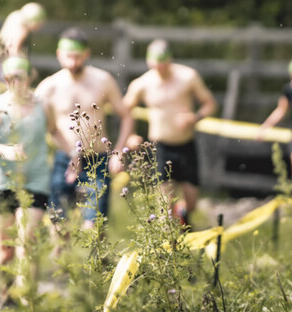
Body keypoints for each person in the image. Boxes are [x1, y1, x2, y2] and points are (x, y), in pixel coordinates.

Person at [0, 56, 71, 308]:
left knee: (28, 244)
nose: (15, 82)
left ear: (29, 76)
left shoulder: (42, 105)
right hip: (2, 182)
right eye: (10, 78)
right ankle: (7, 296)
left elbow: (54, 131)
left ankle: (29, 304)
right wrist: (3, 150)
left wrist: (74, 156)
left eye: (20, 77)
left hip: (35, 181)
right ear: (4, 79)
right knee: (5, 251)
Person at [35, 27, 135, 231]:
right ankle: (60, 263)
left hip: (97, 159)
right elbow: (34, 124)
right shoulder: (49, 87)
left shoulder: (102, 80)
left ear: (87, 54)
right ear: (58, 55)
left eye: (78, 57)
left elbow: (126, 115)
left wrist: (117, 152)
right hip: (64, 159)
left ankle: (99, 263)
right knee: (58, 224)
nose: (73, 63)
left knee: (94, 226)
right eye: (68, 57)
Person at [123, 39, 217, 226]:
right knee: (164, 201)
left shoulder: (188, 77)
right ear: (149, 62)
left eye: (164, 64)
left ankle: (181, 214)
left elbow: (210, 103)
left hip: (185, 144)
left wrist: (194, 117)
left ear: (170, 60)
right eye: (156, 65)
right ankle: (170, 239)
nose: (160, 69)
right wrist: (130, 135)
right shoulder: (142, 83)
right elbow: (124, 110)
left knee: (192, 202)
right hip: (160, 146)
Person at [0, 2, 46, 74]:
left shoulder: (16, 16)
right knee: (31, 74)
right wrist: (25, 69)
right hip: (6, 64)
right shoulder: (21, 28)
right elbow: (13, 49)